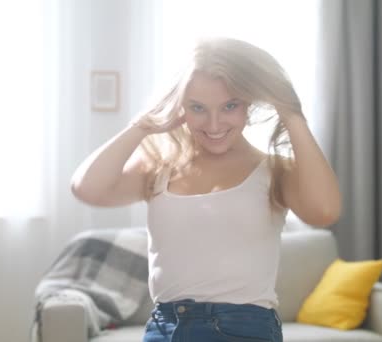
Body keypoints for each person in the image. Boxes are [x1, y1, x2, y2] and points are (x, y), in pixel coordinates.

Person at [71, 37, 341, 342]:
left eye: (229, 106)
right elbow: (86, 188)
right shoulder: (159, 166)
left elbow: (325, 212)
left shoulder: (276, 169)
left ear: (248, 105)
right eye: (198, 107)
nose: (214, 125)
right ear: (180, 107)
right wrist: (144, 124)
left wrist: (292, 114)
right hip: (165, 328)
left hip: (245, 329)